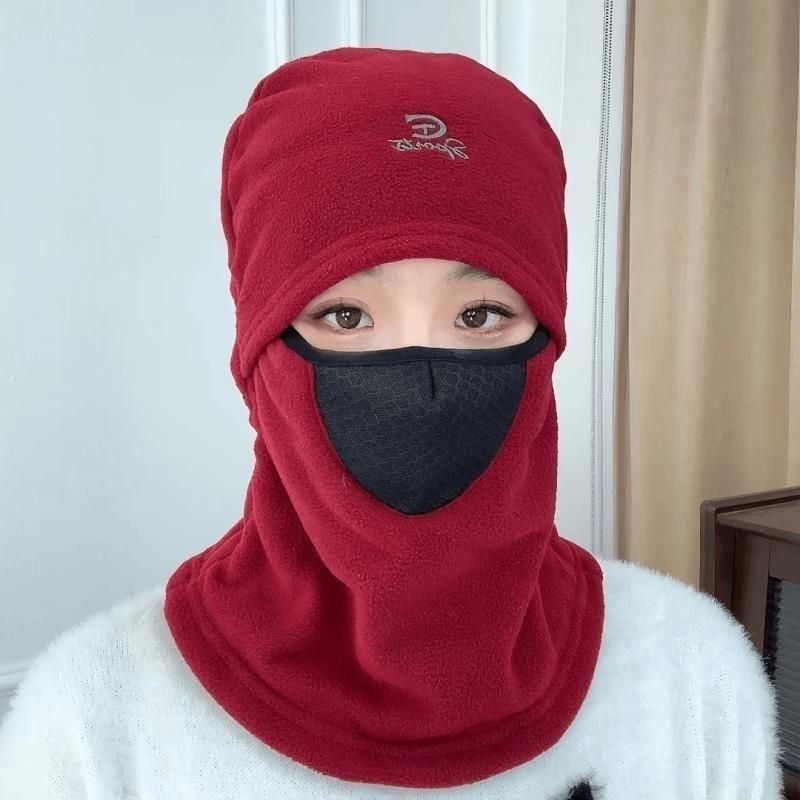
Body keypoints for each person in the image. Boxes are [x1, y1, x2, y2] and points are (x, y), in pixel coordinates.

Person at [0, 46, 785, 799]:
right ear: (255, 352)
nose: (426, 388)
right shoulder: (91, 724)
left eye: (481, 314)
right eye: (346, 315)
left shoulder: (693, 676)